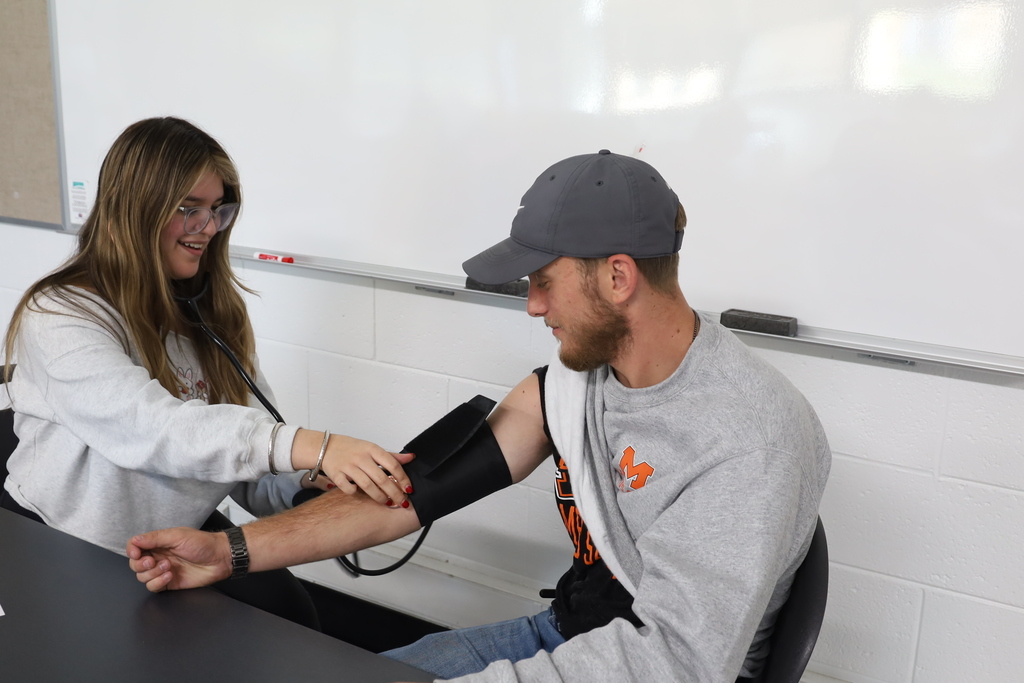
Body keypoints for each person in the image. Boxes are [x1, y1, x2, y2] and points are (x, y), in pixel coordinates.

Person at [127, 149, 831, 682]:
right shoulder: (579, 380)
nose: (532, 306)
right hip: (566, 634)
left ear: (618, 277)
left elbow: (673, 661)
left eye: (543, 282)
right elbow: (412, 494)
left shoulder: (748, 438)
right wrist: (230, 551)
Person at [1, 117, 413, 626]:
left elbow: (243, 464)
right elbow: (152, 429)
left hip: (172, 541)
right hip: (59, 540)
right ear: (135, 210)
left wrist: (308, 481)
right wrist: (317, 445)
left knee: (292, 615)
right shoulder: (59, 313)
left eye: (217, 209)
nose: (209, 226)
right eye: (188, 208)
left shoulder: (211, 314)